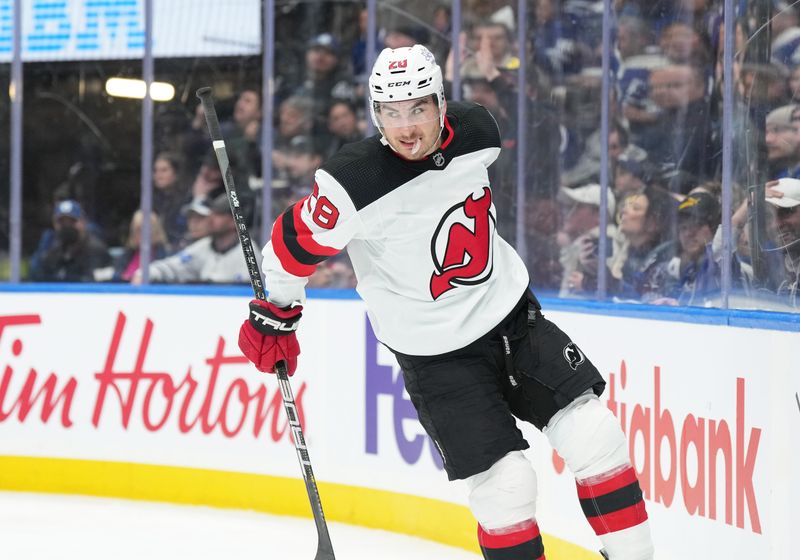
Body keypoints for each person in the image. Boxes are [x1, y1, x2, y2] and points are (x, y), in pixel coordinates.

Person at [236, 45, 654, 559]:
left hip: (513, 319)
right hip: (438, 359)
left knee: (596, 435)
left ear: (440, 103)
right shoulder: (354, 183)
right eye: (390, 112)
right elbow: (288, 246)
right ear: (375, 113)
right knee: (506, 489)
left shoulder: (478, 131)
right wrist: (278, 312)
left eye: (417, 108)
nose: (405, 126)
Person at [131, 193, 248, 285]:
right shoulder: (203, 247)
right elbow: (174, 266)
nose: (211, 219)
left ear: (234, 221)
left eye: (219, 215)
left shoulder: (249, 253)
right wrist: (145, 273)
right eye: (213, 213)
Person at [29, 199, 111, 282]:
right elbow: (38, 277)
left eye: (72, 221)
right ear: (54, 224)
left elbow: (93, 283)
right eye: (61, 222)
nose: (67, 227)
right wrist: (42, 253)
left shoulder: (96, 251)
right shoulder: (53, 250)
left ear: (83, 222)